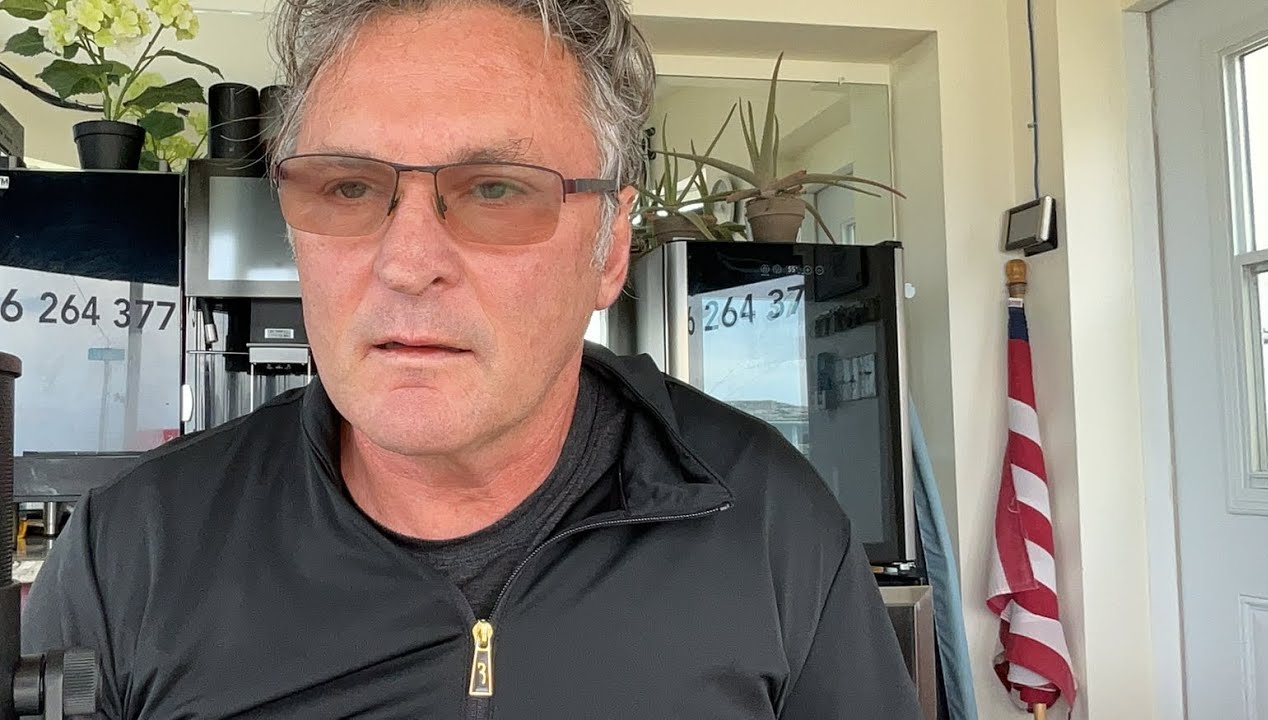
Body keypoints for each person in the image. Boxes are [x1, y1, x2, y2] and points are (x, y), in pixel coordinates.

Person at [22, 0, 922, 717]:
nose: (407, 262)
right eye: (348, 185)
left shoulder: (770, 524)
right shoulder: (132, 552)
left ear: (609, 249)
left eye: (495, 188)